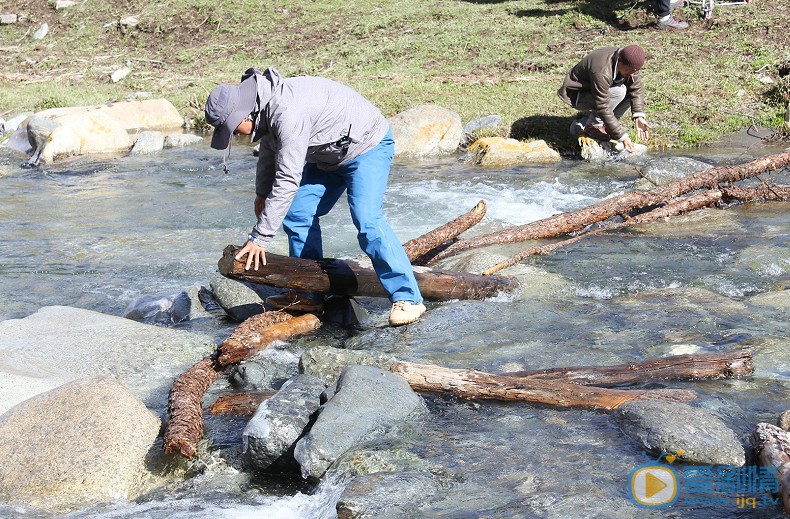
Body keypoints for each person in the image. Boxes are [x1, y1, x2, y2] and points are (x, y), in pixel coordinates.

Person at [204, 67, 426, 326]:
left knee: (367, 218)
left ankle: (408, 298)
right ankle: (309, 293)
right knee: (297, 213)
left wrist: (260, 238)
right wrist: (261, 194)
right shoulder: (264, 106)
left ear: (244, 114)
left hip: (367, 146)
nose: (233, 135)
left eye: (230, 129)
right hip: (327, 152)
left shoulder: (287, 111)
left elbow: (288, 178)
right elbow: (269, 152)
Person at [557, 45, 652, 154]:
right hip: (576, 95)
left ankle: (606, 126)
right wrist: (622, 136)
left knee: (628, 92)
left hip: (597, 91)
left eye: (635, 71)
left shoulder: (630, 63)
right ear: (620, 61)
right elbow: (603, 106)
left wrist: (638, 116)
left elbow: (636, 88)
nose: (632, 74)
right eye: (630, 70)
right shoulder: (602, 70)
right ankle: (594, 126)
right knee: (619, 91)